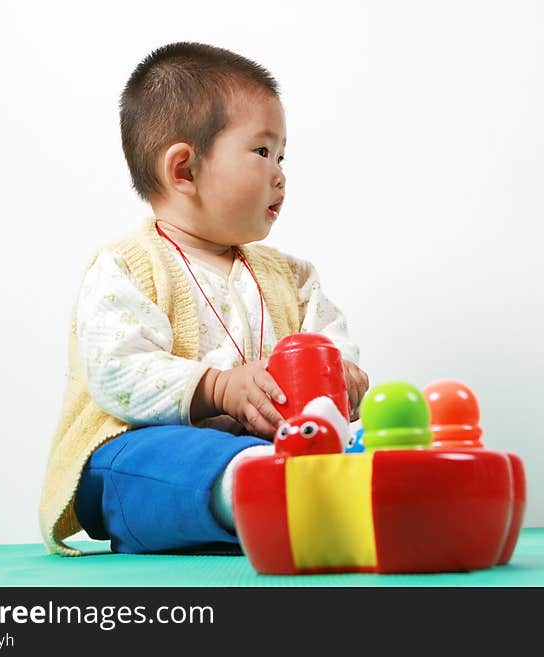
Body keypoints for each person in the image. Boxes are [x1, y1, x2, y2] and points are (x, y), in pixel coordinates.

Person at [39, 42, 369, 556]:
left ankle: (341, 485)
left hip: (273, 446)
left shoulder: (293, 276)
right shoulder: (128, 266)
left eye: (282, 156)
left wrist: (341, 375)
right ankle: (253, 490)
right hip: (142, 452)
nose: (280, 173)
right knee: (148, 459)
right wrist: (216, 387)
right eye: (262, 152)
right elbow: (117, 371)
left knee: (361, 434)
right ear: (184, 170)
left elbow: (327, 339)